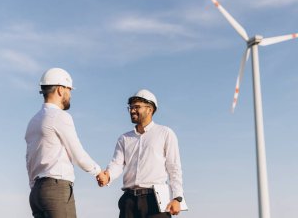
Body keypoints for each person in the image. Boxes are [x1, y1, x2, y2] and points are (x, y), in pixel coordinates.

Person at [25, 67, 107, 218]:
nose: (70, 94)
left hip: (37, 193)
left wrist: (34, 187)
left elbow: (29, 159)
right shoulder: (60, 116)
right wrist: (98, 171)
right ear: (60, 90)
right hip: (56, 190)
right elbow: (77, 154)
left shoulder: (33, 121)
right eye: (69, 90)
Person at [98, 89, 185, 218]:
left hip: (156, 201)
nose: (132, 110)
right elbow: (116, 164)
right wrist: (108, 175)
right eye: (130, 107)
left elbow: (174, 168)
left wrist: (177, 198)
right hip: (129, 202)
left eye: (136, 107)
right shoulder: (124, 138)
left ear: (150, 109)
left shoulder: (165, 133)